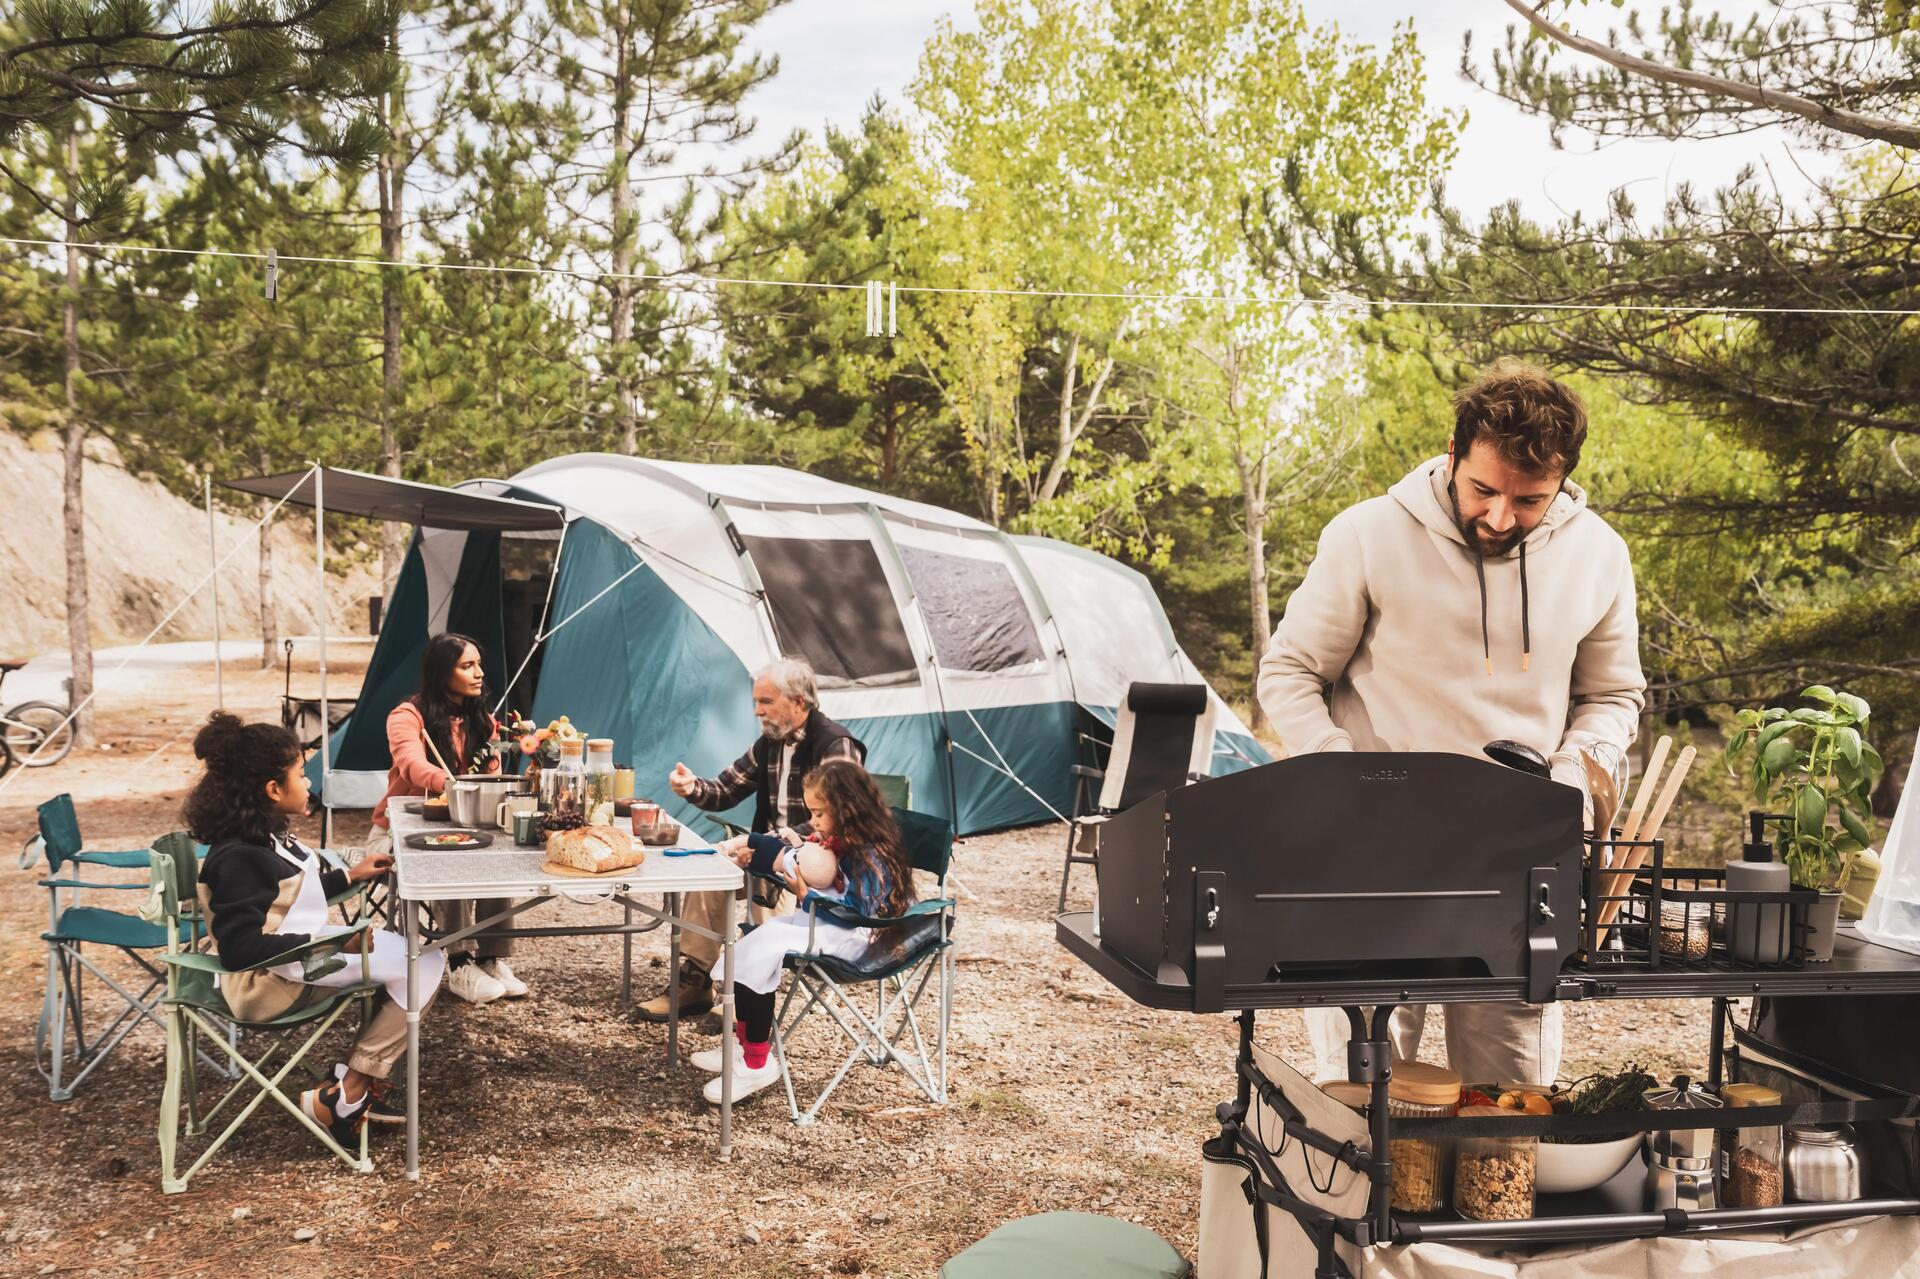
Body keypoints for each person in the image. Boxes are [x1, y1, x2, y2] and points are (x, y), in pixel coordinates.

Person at [1257, 358, 1645, 1087]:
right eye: (1483, 489)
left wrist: (1570, 772)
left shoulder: (1600, 556)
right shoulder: (1368, 534)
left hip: (1520, 863)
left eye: (1529, 499)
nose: (1500, 516)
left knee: (1507, 1106)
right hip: (1365, 857)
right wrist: (1338, 767)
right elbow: (1289, 671)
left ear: (1563, 481)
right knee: (1363, 1097)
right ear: (1452, 455)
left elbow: (1613, 696)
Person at [187, 713, 446, 1144]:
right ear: (272, 790)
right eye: (300, 775)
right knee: (422, 961)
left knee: (411, 954)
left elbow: (285, 896)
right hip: (268, 985)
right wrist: (329, 941)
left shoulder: (257, 837)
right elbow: (239, 949)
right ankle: (348, 1093)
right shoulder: (237, 858)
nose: (308, 783)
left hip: (293, 964)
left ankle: (348, 1085)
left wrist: (349, 876)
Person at [630, 655, 866, 1023]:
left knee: (772, 890)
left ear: (799, 703)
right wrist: (692, 787)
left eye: (766, 702)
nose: (757, 711)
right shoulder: (771, 743)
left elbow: (841, 821)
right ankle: (695, 982)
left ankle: (746, 1003)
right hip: (766, 850)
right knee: (710, 872)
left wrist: (765, 844)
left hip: (820, 865)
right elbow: (724, 790)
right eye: (757, 701)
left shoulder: (835, 746)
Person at [690, 757, 916, 1103]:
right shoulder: (840, 842)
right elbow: (802, 860)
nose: (814, 821)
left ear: (849, 808)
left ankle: (756, 1062)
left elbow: (859, 914)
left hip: (852, 939)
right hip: (820, 925)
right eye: (811, 812)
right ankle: (742, 1046)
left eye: (820, 813)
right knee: (750, 945)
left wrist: (806, 896)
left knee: (763, 949)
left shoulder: (872, 854)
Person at [368, 632, 527, 1005]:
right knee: (446, 857)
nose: (479, 674)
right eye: (467, 666)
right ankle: (456, 961)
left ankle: (490, 957)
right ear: (442, 673)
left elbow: (494, 776)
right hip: (397, 831)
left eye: (479, 664)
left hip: (465, 823)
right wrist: (452, 785)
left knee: (496, 855)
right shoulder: (408, 716)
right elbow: (410, 763)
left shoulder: (483, 722)